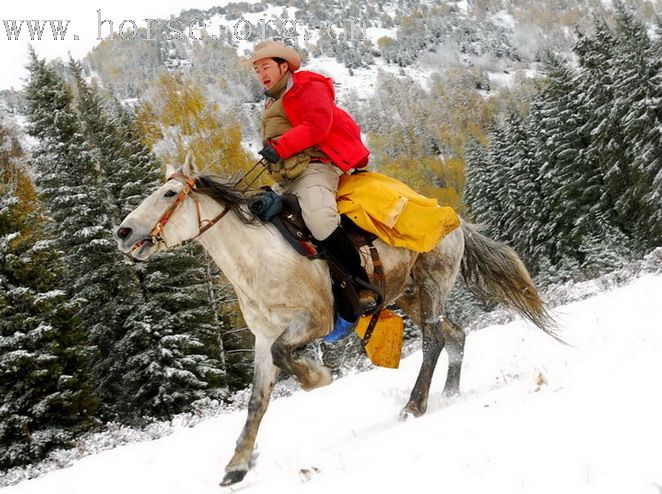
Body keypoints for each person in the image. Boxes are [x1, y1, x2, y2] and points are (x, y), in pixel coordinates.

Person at [245, 40, 377, 326]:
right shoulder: (273, 99)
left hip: (317, 169)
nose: (261, 74)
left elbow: (319, 123)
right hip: (290, 177)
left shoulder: (307, 85)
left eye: (265, 67)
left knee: (319, 220)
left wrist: (281, 147)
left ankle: (361, 283)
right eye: (257, 70)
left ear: (284, 65)